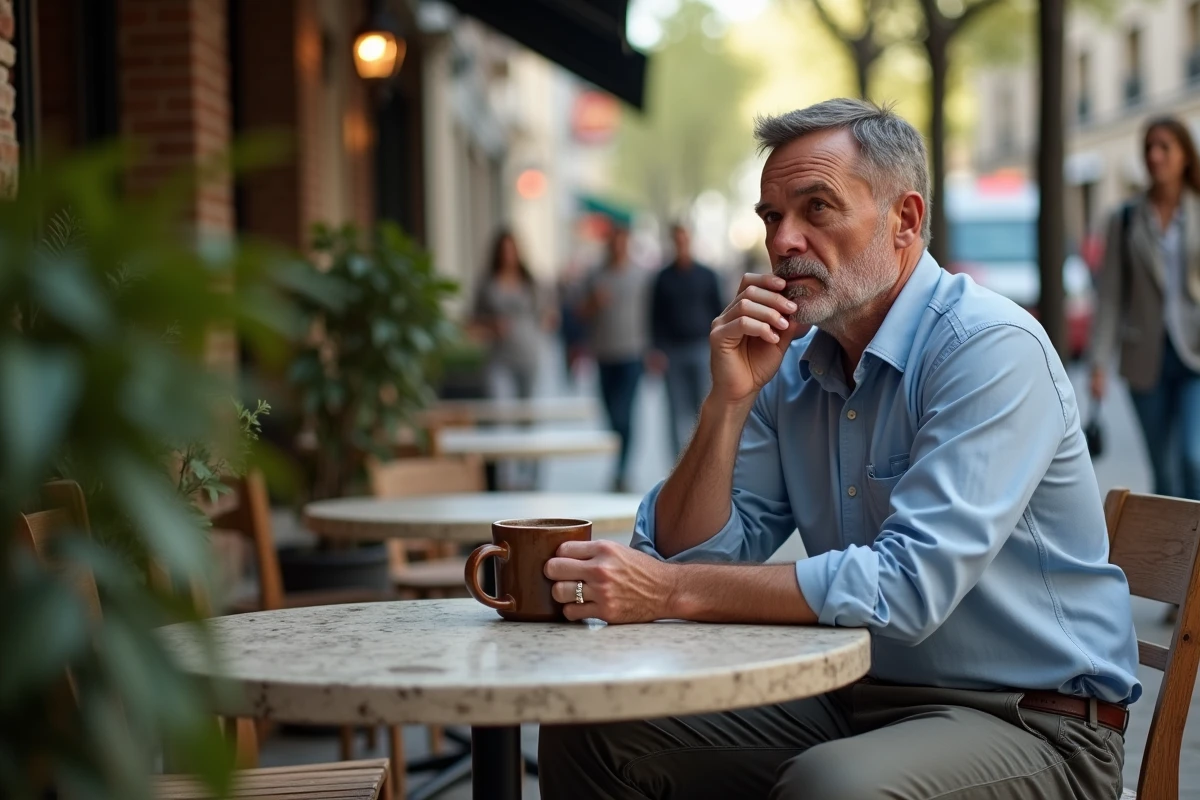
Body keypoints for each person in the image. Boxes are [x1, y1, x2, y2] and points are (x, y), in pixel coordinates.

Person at [539, 99, 1140, 799]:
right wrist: (726, 403)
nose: (784, 239)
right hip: (857, 697)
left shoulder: (988, 348)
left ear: (905, 219)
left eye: (816, 207)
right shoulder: (791, 367)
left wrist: (668, 590)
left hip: (1037, 724)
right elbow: (689, 557)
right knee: (593, 727)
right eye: (771, 216)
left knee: (833, 788)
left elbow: (906, 590)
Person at [1090, 117, 1200, 505]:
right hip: (1145, 358)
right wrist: (1099, 363)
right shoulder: (1126, 219)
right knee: (1164, 471)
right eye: (1150, 147)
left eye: (1165, 146)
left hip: (1194, 355)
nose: (1155, 155)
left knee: (1193, 459)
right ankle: (1176, 563)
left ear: (1185, 155)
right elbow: (1111, 298)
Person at [579, 226, 650, 492]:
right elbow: (580, 312)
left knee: (625, 413)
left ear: (627, 244)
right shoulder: (595, 275)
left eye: (622, 242)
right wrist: (594, 303)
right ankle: (620, 462)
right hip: (603, 353)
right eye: (613, 243)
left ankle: (622, 469)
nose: (618, 247)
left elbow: (652, 313)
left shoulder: (641, 276)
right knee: (610, 414)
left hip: (633, 353)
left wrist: (652, 349)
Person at [649, 224, 727, 456]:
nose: (681, 243)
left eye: (684, 238)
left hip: (701, 348)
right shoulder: (663, 278)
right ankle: (676, 463)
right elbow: (655, 316)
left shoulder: (707, 275)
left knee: (703, 407)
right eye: (677, 239)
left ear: (690, 240)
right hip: (672, 351)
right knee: (674, 409)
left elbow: (720, 311)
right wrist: (656, 349)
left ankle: (703, 456)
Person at [472, 230, 552, 401]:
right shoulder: (487, 283)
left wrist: (546, 321)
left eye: (511, 250)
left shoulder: (529, 281)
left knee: (526, 413)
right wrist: (491, 325)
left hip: (528, 354)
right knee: (499, 408)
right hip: (499, 356)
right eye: (503, 250)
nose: (508, 255)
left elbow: (546, 312)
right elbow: (473, 319)